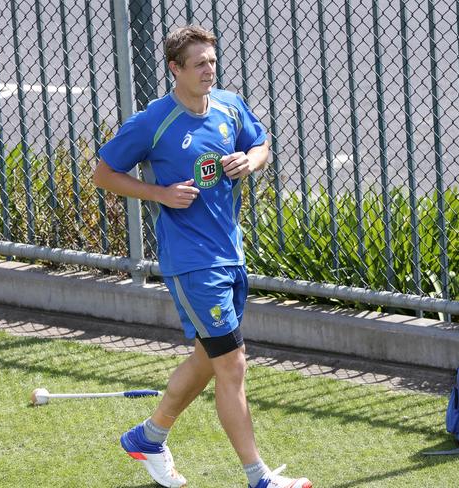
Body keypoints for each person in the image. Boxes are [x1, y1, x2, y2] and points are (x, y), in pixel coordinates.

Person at [93, 25, 312, 488]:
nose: (209, 70)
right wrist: (158, 194)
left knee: (206, 358)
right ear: (175, 69)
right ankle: (259, 477)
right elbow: (104, 172)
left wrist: (249, 162)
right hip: (191, 263)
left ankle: (147, 437)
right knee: (232, 363)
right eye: (199, 63)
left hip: (230, 254)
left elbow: (261, 145)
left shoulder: (230, 107)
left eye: (212, 61)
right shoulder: (154, 121)